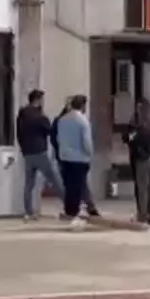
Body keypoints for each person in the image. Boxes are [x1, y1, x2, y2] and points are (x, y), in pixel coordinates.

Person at [17, 89, 65, 222]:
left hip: (27, 152)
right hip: (39, 151)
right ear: (38, 100)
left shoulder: (22, 114)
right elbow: (49, 130)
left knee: (29, 184)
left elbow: (19, 133)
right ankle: (69, 205)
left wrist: (23, 148)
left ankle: (28, 211)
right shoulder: (40, 116)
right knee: (54, 179)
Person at [55, 95, 97, 228]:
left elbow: (58, 139)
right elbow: (86, 141)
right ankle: (77, 211)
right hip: (79, 158)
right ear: (83, 106)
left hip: (65, 157)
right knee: (79, 185)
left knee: (69, 186)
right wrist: (90, 154)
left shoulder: (62, 120)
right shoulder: (83, 121)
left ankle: (69, 210)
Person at [124, 102, 150, 225]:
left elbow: (131, 141)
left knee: (142, 189)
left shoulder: (139, 128)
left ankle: (142, 215)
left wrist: (131, 138)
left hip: (143, 160)